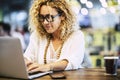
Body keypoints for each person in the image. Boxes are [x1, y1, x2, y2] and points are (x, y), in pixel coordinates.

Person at [24, 0, 85, 73]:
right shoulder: (37, 36)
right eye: (42, 17)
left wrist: (47, 67)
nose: (45, 22)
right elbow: (28, 57)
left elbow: (73, 62)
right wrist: (25, 61)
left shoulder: (76, 36)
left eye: (49, 17)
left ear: (62, 16)